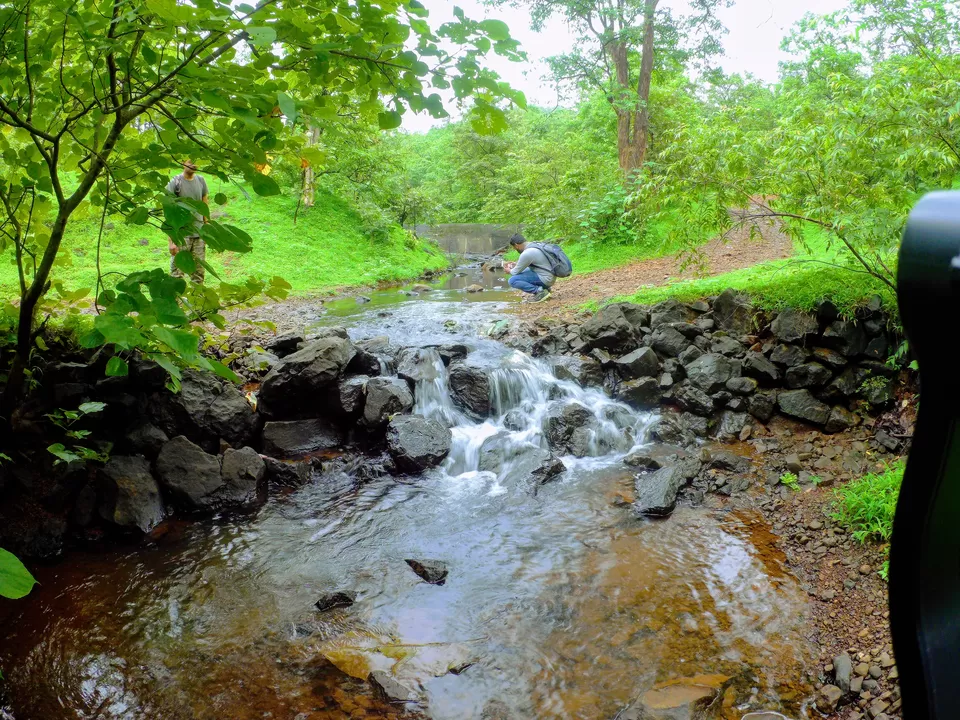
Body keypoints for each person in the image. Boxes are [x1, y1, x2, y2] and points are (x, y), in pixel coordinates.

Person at [166, 160, 209, 283]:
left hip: (199, 234)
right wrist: (171, 241)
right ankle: (177, 301)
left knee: (199, 273)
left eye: (195, 162)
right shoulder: (175, 182)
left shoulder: (201, 180)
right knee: (177, 274)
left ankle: (197, 300)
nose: (193, 164)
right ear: (182, 163)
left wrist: (207, 230)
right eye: (190, 161)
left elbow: (204, 205)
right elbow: (169, 212)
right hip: (181, 235)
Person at [503, 233, 554, 303]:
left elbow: (514, 272)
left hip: (546, 279)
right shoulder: (534, 245)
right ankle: (546, 288)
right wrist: (515, 264)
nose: (516, 250)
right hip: (550, 275)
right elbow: (531, 263)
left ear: (516, 245)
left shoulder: (526, 253)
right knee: (524, 270)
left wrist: (508, 270)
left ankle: (539, 291)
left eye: (514, 248)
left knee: (512, 280)